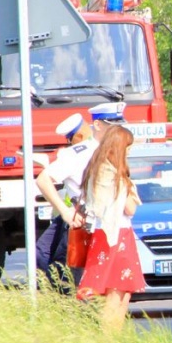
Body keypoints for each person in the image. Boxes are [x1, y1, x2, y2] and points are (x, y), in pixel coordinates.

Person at [34, 103, 128, 287]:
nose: (118, 131)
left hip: (108, 223)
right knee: (67, 276)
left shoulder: (118, 150)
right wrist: (64, 211)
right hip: (84, 223)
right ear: (99, 125)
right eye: (113, 126)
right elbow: (43, 180)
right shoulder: (80, 154)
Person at [77, 125, 146, 331]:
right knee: (117, 293)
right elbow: (130, 208)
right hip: (116, 235)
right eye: (127, 148)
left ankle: (111, 341)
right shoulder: (114, 175)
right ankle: (111, 342)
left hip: (103, 235)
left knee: (117, 290)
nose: (129, 153)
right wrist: (130, 190)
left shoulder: (96, 169)